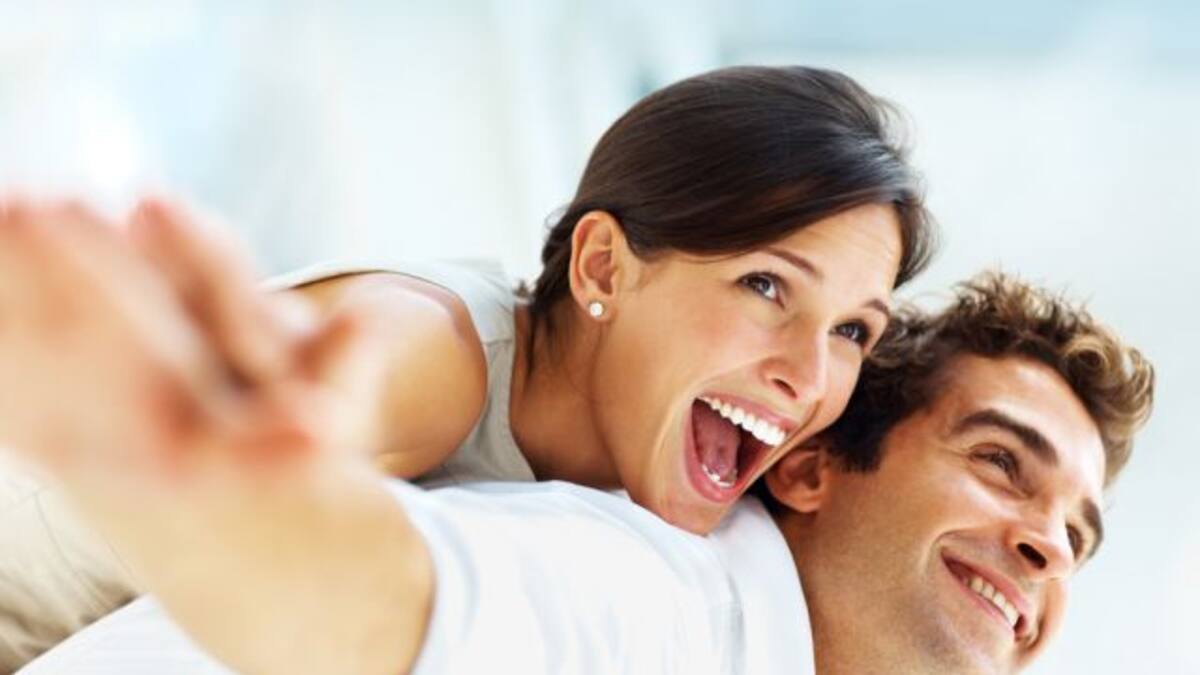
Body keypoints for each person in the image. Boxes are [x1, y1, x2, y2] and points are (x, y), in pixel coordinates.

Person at [0, 63, 937, 670]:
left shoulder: (652, 499)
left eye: (852, 331)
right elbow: (356, 373)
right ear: (602, 267)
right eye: (766, 286)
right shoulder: (440, 357)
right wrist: (293, 394)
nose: (807, 374)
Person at [0, 196, 1152, 673]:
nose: (1047, 544)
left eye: (1078, 536)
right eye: (1000, 463)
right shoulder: (664, 603)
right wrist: (186, 469)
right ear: (809, 467)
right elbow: (400, 606)